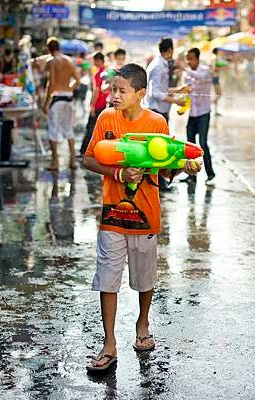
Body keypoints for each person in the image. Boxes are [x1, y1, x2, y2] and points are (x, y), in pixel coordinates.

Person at [83, 64, 201, 371]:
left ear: (141, 94)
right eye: (113, 90)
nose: (115, 96)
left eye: (122, 91)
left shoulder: (156, 122)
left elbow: (166, 167)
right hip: (111, 213)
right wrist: (118, 172)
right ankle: (109, 343)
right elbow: (89, 158)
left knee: (144, 277)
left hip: (146, 214)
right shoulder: (106, 118)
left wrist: (183, 166)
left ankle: (143, 323)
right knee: (107, 279)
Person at [43, 37, 80, 170]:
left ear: (49, 49)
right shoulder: (69, 61)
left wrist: (45, 103)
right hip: (68, 98)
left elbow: (51, 83)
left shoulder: (52, 62)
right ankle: (74, 161)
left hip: (57, 98)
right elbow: (77, 80)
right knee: (68, 130)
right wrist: (68, 88)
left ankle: (55, 162)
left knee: (53, 131)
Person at [183, 48, 215, 185]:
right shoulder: (187, 75)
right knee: (189, 145)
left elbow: (201, 78)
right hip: (192, 113)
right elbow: (186, 91)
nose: (189, 62)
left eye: (191, 59)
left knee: (203, 143)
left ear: (197, 58)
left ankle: (210, 173)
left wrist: (184, 69)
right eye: (187, 59)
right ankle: (191, 176)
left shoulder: (205, 70)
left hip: (203, 113)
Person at [146, 38, 187, 123]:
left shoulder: (162, 64)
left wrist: (178, 90)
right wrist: (176, 101)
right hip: (156, 110)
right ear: (170, 50)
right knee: (159, 136)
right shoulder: (158, 66)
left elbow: (161, 88)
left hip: (160, 110)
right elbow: (155, 93)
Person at [80, 52, 110, 156]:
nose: (93, 63)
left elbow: (96, 91)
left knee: (90, 128)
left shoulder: (99, 74)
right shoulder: (107, 72)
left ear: (98, 60)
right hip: (103, 104)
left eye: (94, 61)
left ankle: (85, 151)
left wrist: (92, 106)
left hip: (98, 105)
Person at [211, 48, 225, 116]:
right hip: (215, 78)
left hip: (215, 78)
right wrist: (222, 68)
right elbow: (214, 69)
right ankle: (210, 104)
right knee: (219, 94)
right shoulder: (215, 58)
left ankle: (215, 110)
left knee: (218, 94)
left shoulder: (214, 58)